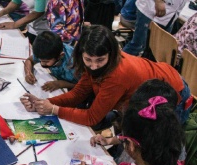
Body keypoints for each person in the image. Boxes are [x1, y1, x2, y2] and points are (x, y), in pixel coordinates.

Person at [20, 25, 192, 131]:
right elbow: (78, 93)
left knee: (155, 145)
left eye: (100, 60)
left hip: (174, 93)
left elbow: (92, 117)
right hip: (151, 84)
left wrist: (53, 109)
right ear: (82, 55)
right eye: (88, 60)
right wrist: (45, 103)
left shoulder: (117, 75)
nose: (93, 66)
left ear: (111, 54)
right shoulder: (93, 61)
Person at [123, 0, 188, 56]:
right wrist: (158, 1)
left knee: (155, 51)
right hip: (152, 9)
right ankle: (118, 66)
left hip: (171, 14)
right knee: (137, 46)